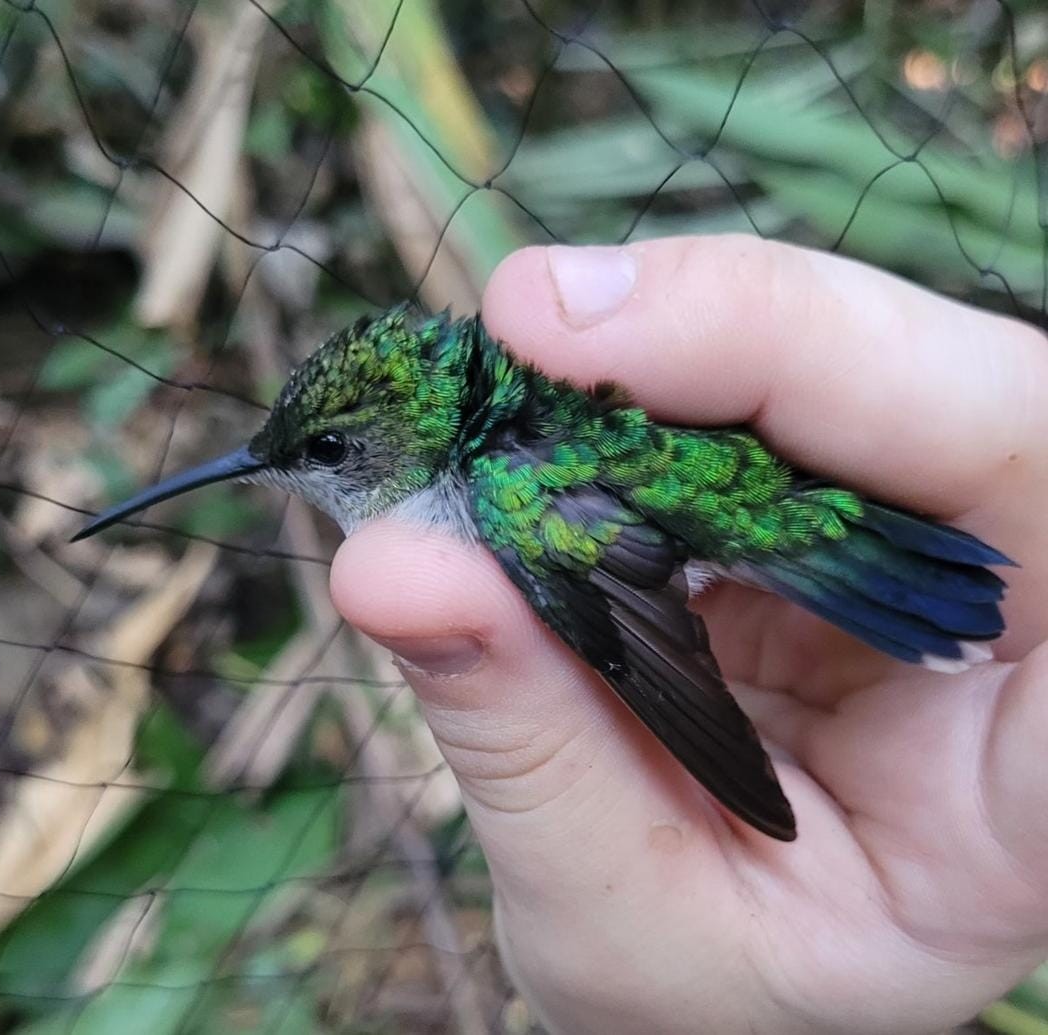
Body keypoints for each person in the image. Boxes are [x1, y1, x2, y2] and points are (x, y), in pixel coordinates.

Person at [330, 236, 1048, 1034]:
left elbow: (625, 625)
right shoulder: (508, 440)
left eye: (330, 452)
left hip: (745, 526)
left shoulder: (506, 481)